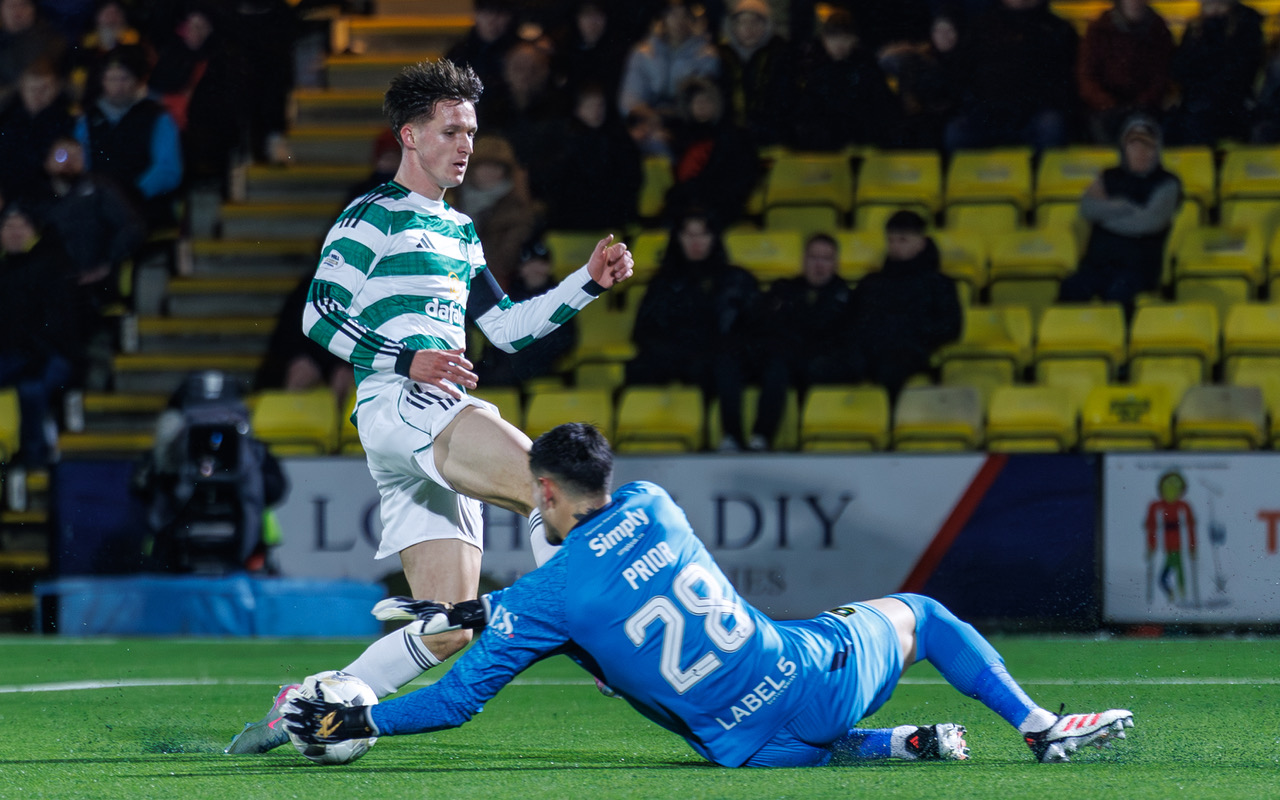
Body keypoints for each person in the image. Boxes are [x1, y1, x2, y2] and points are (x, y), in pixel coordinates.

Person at [281, 422, 1136, 767]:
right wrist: (492, 609)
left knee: (600, 658)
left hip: (746, 749)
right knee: (924, 614)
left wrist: (366, 718)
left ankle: (888, 748)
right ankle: (1036, 725)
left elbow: (460, 700)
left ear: (542, 492)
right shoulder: (655, 503)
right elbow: (589, 578)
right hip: (817, 678)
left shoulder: (547, 597)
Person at [224, 58, 633, 755]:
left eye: (471, 131)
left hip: (429, 424)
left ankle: (307, 705)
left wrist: (585, 285)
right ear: (410, 136)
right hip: (404, 401)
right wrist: (408, 357)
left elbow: (504, 328)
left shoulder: (462, 231)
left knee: (449, 627)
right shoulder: (372, 214)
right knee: (550, 487)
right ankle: (603, 645)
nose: (466, 145)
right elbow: (318, 315)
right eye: (451, 131)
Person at [625, 207, 758, 450]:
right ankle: (641, 441)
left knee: (727, 363)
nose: (696, 242)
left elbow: (752, 328)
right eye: (689, 235)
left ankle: (732, 438)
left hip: (721, 359)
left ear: (714, 238)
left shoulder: (735, 280)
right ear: (678, 239)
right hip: (676, 358)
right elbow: (643, 331)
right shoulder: (663, 282)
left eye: (703, 235)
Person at [1057, 116, 1180, 317]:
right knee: (1071, 287)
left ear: (1157, 149)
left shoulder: (1167, 183)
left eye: (1147, 145)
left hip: (1138, 269)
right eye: (1134, 145)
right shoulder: (1108, 176)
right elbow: (1087, 208)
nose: (1141, 152)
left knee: (1119, 292)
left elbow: (1147, 222)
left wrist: (1107, 211)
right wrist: (1127, 207)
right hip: (1097, 265)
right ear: (1124, 148)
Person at [746, 233, 858, 450]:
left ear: (836, 263)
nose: (819, 264)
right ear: (803, 260)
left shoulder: (848, 299)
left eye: (826, 258)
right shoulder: (784, 291)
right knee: (775, 365)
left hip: (825, 365)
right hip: (786, 361)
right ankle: (760, 437)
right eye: (814, 257)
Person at [0, 201, 81, 469]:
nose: (14, 231)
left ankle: (34, 459)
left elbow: (60, 323)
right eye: (8, 226)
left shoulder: (52, 267)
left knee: (31, 389)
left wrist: (37, 353)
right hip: (12, 356)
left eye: (21, 225)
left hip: (48, 356)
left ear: (33, 230)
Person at [849, 210, 962, 400]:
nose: (894, 246)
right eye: (891, 240)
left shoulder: (939, 284)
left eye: (902, 240)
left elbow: (951, 326)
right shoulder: (872, 282)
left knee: (890, 367)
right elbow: (852, 319)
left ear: (922, 242)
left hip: (910, 352)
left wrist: (910, 332)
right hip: (867, 351)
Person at [74, 44, 183, 230]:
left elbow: (168, 169)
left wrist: (132, 194)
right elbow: (80, 163)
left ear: (137, 81)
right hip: (97, 208)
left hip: (144, 207)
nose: (118, 86)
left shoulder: (157, 117)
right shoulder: (88, 119)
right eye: (112, 79)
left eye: (124, 79)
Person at [944, 0, 1078, 152]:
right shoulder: (979, 26)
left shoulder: (1057, 28)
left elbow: (1064, 82)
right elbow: (963, 74)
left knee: (1051, 125)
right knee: (956, 131)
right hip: (986, 115)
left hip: (1034, 116)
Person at [473, 238, 578, 387]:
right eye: (530, 263)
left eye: (541, 263)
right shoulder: (509, 296)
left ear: (549, 267)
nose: (536, 269)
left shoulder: (561, 297)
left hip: (544, 362)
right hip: (510, 360)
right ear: (521, 269)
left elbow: (566, 340)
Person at [790, 9, 898, 151]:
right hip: (825, 148)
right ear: (824, 39)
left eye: (845, 37)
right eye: (833, 37)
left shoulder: (867, 67)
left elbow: (882, 110)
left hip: (863, 146)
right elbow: (807, 113)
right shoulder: (813, 68)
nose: (839, 44)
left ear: (854, 39)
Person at [447, 134, 542, 289]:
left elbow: (504, 261)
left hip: (493, 286)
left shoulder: (517, 209)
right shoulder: (449, 200)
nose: (489, 172)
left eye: (497, 167)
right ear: (472, 168)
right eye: (484, 166)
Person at [663, 76, 761, 225]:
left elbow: (738, 180)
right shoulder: (679, 139)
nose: (702, 106)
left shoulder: (734, 139)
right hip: (684, 208)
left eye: (707, 101)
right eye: (696, 101)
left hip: (721, 208)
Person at [617, 0, 720, 138]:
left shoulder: (706, 56)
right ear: (663, 18)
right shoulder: (643, 53)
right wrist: (649, 116)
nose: (679, 21)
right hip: (647, 126)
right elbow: (628, 101)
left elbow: (702, 105)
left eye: (685, 15)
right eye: (673, 14)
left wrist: (668, 117)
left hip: (688, 129)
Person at [1166, 0, 1264, 146]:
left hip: (1232, 105)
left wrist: (1214, 25)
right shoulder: (1195, 27)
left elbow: (1238, 72)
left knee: (1198, 121)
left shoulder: (1247, 23)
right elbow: (1181, 69)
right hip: (1197, 103)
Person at [1077, 0, 1173, 144]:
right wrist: (1106, 103)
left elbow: (1161, 76)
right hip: (1105, 108)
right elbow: (1087, 77)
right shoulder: (1099, 29)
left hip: (1146, 107)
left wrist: (1143, 103)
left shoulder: (1158, 31)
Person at [716, 0, 793, 147]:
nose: (748, 29)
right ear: (733, 26)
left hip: (770, 136)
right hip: (730, 137)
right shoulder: (722, 58)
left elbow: (783, 101)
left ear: (767, 25)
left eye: (755, 22)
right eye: (742, 23)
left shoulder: (780, 55)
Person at [0, 58, 74, 200]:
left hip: (49, 196)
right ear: (22, 87)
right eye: (32, 89)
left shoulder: (68, 122)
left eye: (45, 89)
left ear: (56, 88)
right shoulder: (6, 117)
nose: (38, 95)